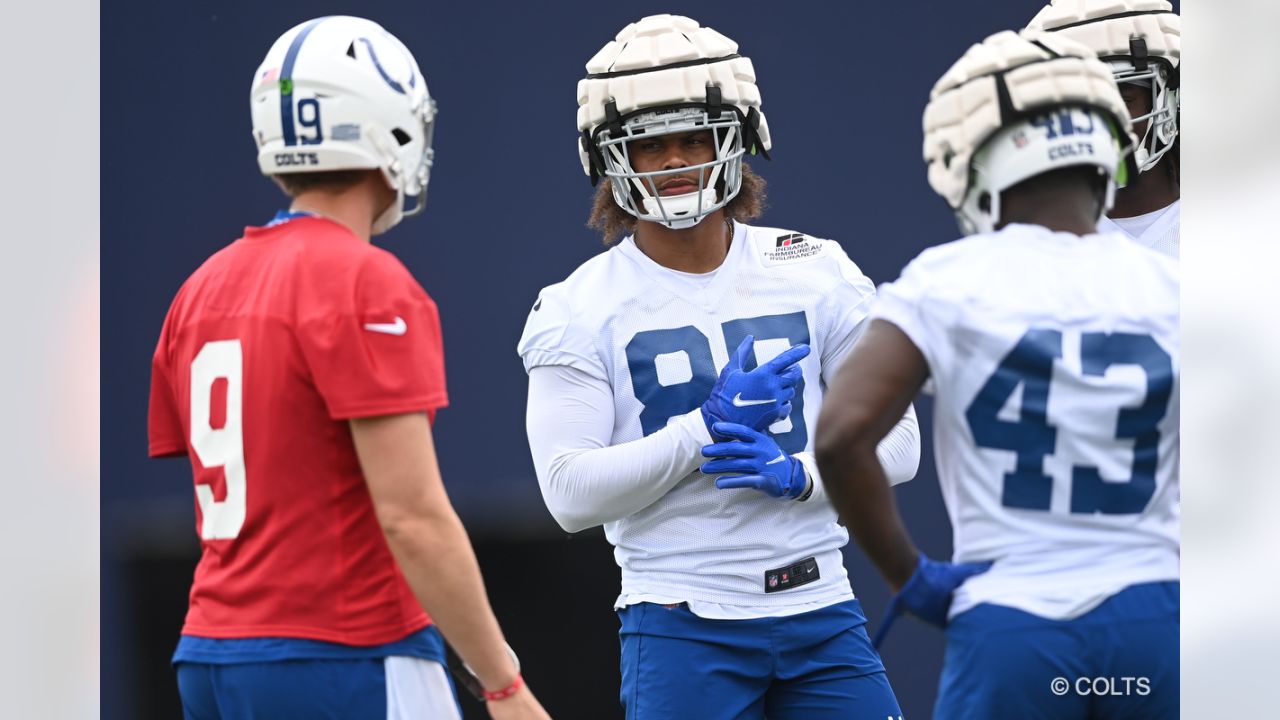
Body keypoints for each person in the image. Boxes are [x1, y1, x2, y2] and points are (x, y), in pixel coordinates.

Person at [518, 14, 919, 720]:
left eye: (692, 138)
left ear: (740, 137)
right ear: (611, 160)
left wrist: (805, 476)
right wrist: (702, 431)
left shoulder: (816, 268)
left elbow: (902, 445)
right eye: (649, 145)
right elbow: (569, 494)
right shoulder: (577, 306)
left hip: (821, 606)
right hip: (682, 621)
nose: (673, 160)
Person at [147, 16, 550, 720]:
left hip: (210, 655)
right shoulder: (365, 281)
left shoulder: (200, 288)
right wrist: (503, 684)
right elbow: (412, 517)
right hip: (342, 653)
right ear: (389, 128)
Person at [814, 29, 1179, 719]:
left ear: (973, 160)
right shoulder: (1176, 286)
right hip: (1158, 621)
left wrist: (911, 578)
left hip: (1014, 623)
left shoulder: (949, 282)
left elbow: (839, 436)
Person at [1028, 0, 1181, 258]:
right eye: (1073, 106)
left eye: (1120, 99)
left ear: (1167, 99)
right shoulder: (1032, 252)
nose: (1096, 124)